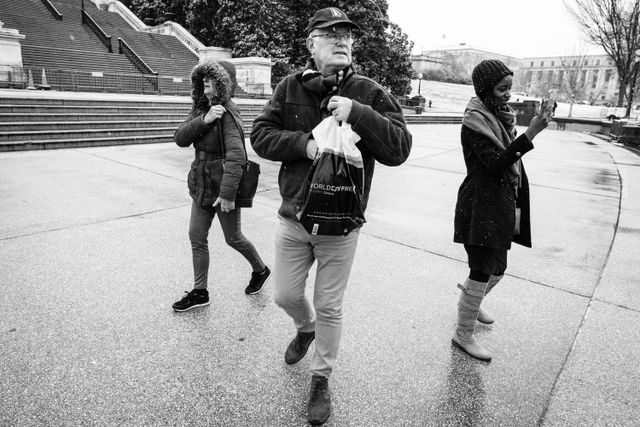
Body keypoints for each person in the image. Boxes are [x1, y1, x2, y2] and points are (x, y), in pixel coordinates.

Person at [250, 7, 412, 425]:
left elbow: (399, 149)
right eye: (330, 32)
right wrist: (303, 144)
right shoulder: (290, 86)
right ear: (311, 44)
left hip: (341, 226)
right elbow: (260, 135)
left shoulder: (370, 91)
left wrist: (357, 112)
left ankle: (321, 379)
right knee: (286, 295)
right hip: (294, 219)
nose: (341, 38)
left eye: (346, 33)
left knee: (330, 306)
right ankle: (305, 328)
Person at [452, 59, 549, 361]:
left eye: (510, 87)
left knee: (499, 268)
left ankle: (471, 297)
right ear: (485, 89)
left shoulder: (499, 116)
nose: (508, 94)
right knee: (482, 268)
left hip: (501, 202)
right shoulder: (475, 122)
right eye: (501, 88)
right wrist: (530, 135)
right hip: (480, 203)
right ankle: (463, 333)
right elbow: (495, 164)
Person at [172, 58, 271, 312]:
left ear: (222, 85)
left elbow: (238, 157)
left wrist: (227, 195)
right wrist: (203, 120)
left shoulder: (228, 112)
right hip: (201, 186)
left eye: (210, 85)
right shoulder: (201, 109)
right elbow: (180, 138)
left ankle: (260, 270)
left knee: (233, 238)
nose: (205, 91)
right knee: (196, 237)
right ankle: (200, 291)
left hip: (222, 188)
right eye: (202, 85)